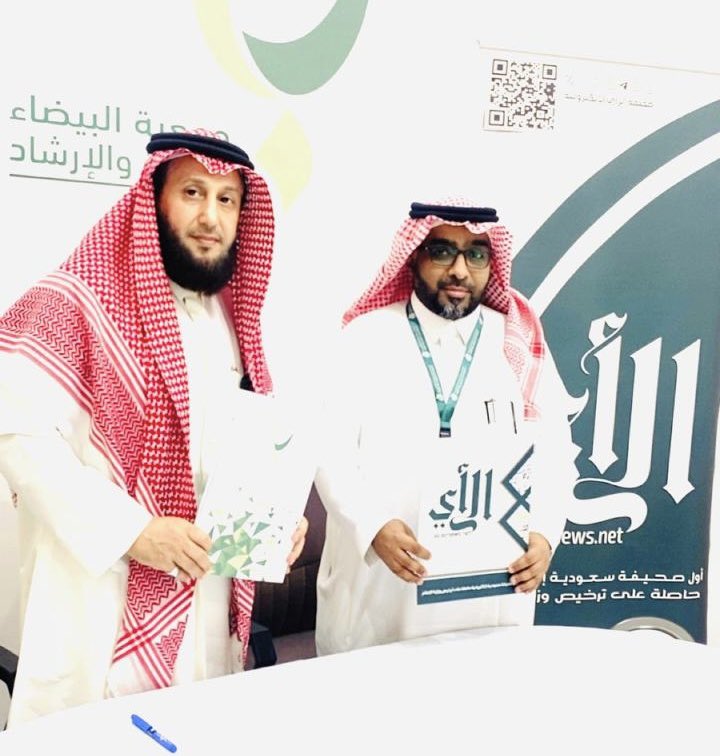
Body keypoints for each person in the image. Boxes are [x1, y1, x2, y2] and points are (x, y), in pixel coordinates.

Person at [0, 130, 308, 726]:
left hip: (203, 597)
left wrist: (276, 520)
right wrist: (133, 531)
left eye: (226, 200)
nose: (210, 216)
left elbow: (234, 452)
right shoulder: (75, 300)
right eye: (193, 192)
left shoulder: (229, 320)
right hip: (96, 600)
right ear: (155, 200)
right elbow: (16, 437)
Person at [314, 199, 578, 654]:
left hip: (489, 595)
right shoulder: (366, 337)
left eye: (476, 254)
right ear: (414, 255)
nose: (459, 270)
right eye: (442, 252)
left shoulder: (516, 339)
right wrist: (372, 525)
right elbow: (327, 450)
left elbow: (556, 453)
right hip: (385, 586)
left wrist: (544, 534)